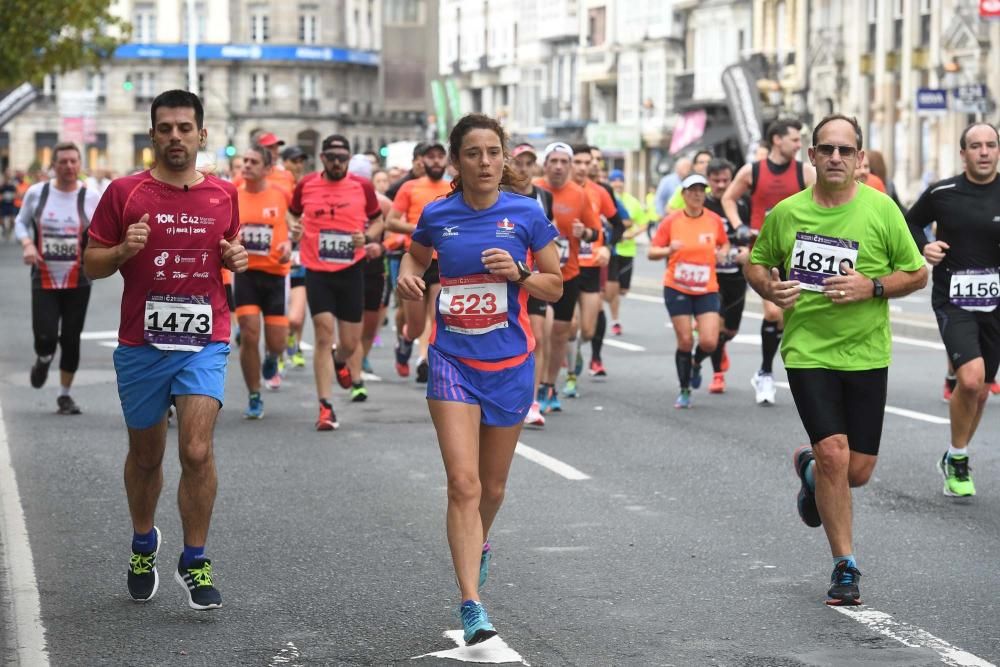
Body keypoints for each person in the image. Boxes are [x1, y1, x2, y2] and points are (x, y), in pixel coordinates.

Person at [746, 114, 926, 605]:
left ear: (860, 158)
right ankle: (844, 565)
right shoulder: (787, 213)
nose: (836, 158)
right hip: (808, 350)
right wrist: (770, 286)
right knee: (834, 453)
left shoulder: (881, 211)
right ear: (812, 155)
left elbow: (916, 273)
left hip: (866, 351)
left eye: (846, 151)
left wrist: (872, 286)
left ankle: (809, 474)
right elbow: (757, 261)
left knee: (858, 470)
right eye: (827, 149)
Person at [397, 113, 562, 645]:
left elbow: (555, 286)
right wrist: (407, 277)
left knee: (491, 487)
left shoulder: (527, 213)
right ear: (457, 160)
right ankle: (472, 604)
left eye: (494, 152)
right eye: (474, 153)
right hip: (451, 361)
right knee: (463, 484)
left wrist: (518, 275)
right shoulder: (438, 214)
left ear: (505, 158)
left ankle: (479, 542)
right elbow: (416, 254)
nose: (486, 162)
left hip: (510, 364)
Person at [84, 89, 249, 610]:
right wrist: (121, 250)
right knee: (146, 455)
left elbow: (231, 249)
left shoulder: (224, 194)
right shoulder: (124, 193)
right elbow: (91, 263)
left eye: (184, 128)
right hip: (141, 344)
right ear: (152, 135)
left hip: (206, 340)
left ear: (202, 135)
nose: (175, 136)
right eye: (165, 128)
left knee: (196, 450)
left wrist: (236, 256)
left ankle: (195, 559)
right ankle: (142, 543)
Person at [905, 122, 1000, 498]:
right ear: (963, 153)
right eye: (975, 146)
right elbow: (910, 222)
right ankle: (959, 458)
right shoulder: (942, 192)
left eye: (990, 145)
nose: (983, 152)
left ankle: (953, 454)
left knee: (981, 391)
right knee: (972, 379)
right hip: (954, 297)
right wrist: (923, 247)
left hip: (996, 301)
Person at [289, 135, 382, 430]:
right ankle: (325, 407)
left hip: (351, 270)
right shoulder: (306, 185)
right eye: (332, 158)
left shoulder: (362, 186)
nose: (338, 163)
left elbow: (379, 220)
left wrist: (366, 237)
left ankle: (340, 361)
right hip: (316, 269)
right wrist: (294, 228)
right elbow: (292, 215)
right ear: (323, 158)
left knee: (350, 343)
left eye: (343, 158)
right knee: (323, 332)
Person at [723, 118, 817, 405]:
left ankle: (802, 373)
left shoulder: (805, 173)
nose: (798, 145)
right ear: (777, 140)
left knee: (793, 318)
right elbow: (729, 198)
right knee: (774, 313)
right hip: (761, 252)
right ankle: (765, 373)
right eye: (794, 139)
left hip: (797, 255)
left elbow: (821, 202)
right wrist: (739, 225)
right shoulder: (752, 171)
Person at [15, 143, 101, 414]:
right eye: (63, 161)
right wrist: (28, 243)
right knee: (46, 335)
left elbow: (104, 229)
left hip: (79, 278)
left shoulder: (90, 197)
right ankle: (43, 357)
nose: (69, 166)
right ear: (53, 165)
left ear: (80, 164)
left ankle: (65, 395)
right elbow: (20, 221)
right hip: (44, 276)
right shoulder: (37, 193)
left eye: (74, 161)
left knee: (72, 337)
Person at [649, 174, 729, 408]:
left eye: (701, 190)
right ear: (683, 194)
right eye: (692, 190)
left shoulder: (714, 220)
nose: (697, 194)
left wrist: (723, 251)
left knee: (709, 342)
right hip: (677, 287)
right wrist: (668, 250)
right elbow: (652, 251)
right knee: (685, 340)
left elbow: (724, 242)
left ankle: (695, 363)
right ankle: (684, 389)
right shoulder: (672, 221)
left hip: (706, 288)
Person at [533, 143, 602, 412]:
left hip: (567, 273)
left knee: (560, 333)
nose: (559, 166)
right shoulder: (533, 190)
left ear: (570, 166)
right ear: (546, 164)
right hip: (535, 274)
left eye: (564, 161)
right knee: (538, 333)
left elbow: (596, 233)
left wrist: (583, 232)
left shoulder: (579, 195)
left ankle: (549, 384)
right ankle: (533, 388)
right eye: (554, 161)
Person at [234, 145, 292, 417]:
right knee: (248, 332)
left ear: (267, 169)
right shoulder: (232, 194)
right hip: (245, 273)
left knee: (277, 342)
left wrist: (288, 248)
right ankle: (254, 394)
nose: (246, 165)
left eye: (253, 162)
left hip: (275, 275)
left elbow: (293, 228)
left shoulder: (280, 196)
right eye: (244, 160)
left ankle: (272, 358)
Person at [386, 141, 452, 381]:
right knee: (414, 326)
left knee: (438, 319)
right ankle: (404, 343)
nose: (435, 161)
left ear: (446, 161)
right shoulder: (409, 187)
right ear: (421, 161)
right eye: (430, 157)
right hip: (415, 260)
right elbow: (390, 222)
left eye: (439, 157)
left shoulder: (453, 188)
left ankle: (433, 365)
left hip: (442, 261)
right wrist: (419, 229)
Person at [506, 142, 555, 426]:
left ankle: (532, 401)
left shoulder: (543, 198)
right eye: (518, 162)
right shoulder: (499, 197)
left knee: (536, 335)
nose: (523, 168)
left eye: (528, 163)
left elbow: (549, 237)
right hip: (504, 277)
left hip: (532, 276)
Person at [566, 143, 621, 390]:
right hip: (564, 265)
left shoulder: (600, 191)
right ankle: (569, 375)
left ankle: (578, 350)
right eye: (577, 162)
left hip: (591, 265)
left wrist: (607, 246)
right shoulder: (554, 190)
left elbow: (617, 224)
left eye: (586, 163)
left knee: (587, 330)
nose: (582, 167)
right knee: (571, 324)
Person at [703, 158, 752, 394]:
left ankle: (720, 347)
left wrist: (748, 251)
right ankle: (717, 374)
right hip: (710, 276)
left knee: (730, 330)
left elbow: (754, 233)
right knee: (714, 329)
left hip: (736, 275)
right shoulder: (703, 204)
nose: (721, 185)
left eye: (726, 180)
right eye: (716, 181)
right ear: (708, 181)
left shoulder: (741, 203)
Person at [607, 169, 649, 335]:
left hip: (628, 251)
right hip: (612, 250)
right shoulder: (608, 200)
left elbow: (644, 223)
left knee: (623, 290)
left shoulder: (632, 202)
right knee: (614, 288)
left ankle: (602, 295)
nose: (617, 184)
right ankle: (616, 321)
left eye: (620, 180)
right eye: (614, 181)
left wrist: (632, 233)